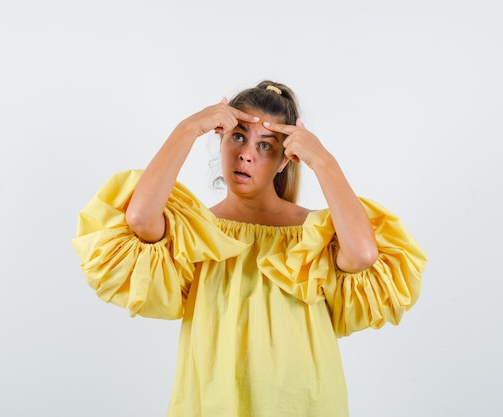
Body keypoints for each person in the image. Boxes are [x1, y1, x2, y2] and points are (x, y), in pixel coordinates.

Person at [72, 80, 427, 416]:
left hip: (303, 401)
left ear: (285, 159)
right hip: (215, 400)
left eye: (265, 145)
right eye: (238, 137)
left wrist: (323, 160)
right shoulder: (198, 233)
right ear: (221, 140)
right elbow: (139, 218)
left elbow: (365, 256)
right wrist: (187, 129)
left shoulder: (314, 234)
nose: (245, 155)